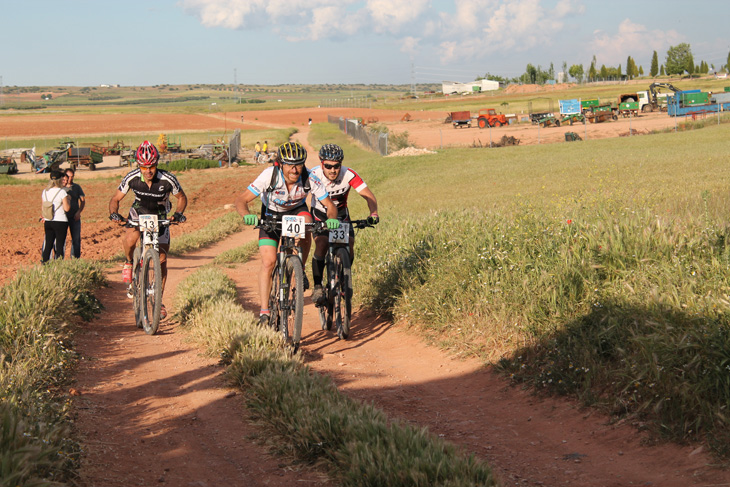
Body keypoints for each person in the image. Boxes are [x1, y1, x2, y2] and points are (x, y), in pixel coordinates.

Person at [235, 141, 340, 326]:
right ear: (280, 163)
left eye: (299, 164)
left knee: (308, 225)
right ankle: (265, 311)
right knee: (268, 262)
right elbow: (241, 200)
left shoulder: (309, 177)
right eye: (290, 164)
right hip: (270, 214)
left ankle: (299, 267)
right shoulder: (269, 175)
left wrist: (331, 218)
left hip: (296, 210)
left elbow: (330, 205)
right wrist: (247, 215)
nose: (294, 169)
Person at [108, 141, 188, 320]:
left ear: (157, 163)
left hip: (160, 215)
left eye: (151, 166)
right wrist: (113, 213)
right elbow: (116, 198)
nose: (148, 170)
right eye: (144, 166)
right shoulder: (132, 177)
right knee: (130, 239)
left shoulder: (168, 179)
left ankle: (158, 301)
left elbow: (181, 197)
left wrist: (179, 213)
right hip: (139, 212)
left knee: (162, 259)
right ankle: (129, 262)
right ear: (139, 165)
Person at [309, 144, 379, 305]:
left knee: (350, 244)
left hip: (341, 215)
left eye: (336, 166)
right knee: (321, 243)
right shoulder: (313, 175)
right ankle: (318, 286)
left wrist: (373, 213)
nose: (333, 170)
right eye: (328, 166)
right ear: (321, 164)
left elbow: (368, 195)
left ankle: (343, 276)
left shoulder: (349, 174)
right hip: (320, 215)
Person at [41, 170, 71, 263]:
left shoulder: (45, 192)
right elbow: (67, 208)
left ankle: (45, 263)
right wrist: (68, 199)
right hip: (60, 221)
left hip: (48, 220)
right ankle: (59, 264)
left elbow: (43, 206)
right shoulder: (62, 192)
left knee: (48, 244)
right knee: (59, 245)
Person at [64, 167, 85, 258]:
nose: (70, 178)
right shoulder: (61, 188)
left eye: (72, 176)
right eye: (68, 176)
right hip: (63, 217)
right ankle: (60, 258)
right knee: (62, 240)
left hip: (74, 217)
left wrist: (78, 212)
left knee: (76, 239)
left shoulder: (77, 187)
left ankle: (75, 258)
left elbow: (82, 200)